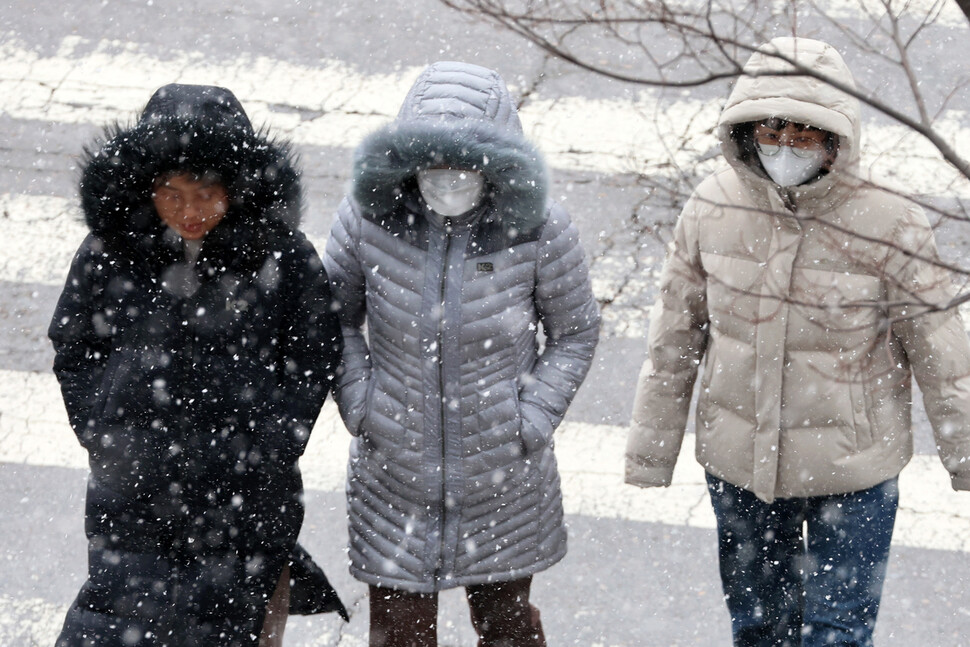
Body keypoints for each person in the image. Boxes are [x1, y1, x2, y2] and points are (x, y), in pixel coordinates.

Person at [625, 37, 970, 647]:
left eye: (804, 134)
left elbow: (942, 353)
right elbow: (675, 340)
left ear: (837, 137)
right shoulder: (711, 207)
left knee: (838, 634)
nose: (784, 147)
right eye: (770, 130)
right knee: (759, 629)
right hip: (739, 464)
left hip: (856, 469)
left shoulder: (890, 220)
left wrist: (965, 452)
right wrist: (651, 452)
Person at [49, 83, 347, 647]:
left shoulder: (282, 255)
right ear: (147, 188)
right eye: (174, 194)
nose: (191, 212)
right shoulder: (109, 250)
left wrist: (275, 437)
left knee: (233, 624)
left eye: (208, 194)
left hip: (247, 483)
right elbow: (74, 346)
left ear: (235, 190)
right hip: (135, 479)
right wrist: (104, 429)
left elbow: (314, 351)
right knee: (121, 618)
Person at [324, 61, 600, 647]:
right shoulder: (365, 219)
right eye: (433, 165)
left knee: (506, 630)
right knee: (399, 635)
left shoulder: (539, 227)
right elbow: (334, 319)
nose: (447, 179)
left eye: (463, 166)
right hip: (393, 477)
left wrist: (529, 419)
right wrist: (361, 405)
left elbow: (574, 332)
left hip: (500, 479)